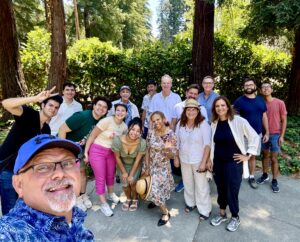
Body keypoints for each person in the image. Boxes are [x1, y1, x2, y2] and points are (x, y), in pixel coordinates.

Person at [0, 134, 94, 241]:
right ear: (19, 185)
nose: (60, 174)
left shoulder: (74, 215)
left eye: (67, 163)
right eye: (43, 167)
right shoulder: (10, 234)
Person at [0, 87, 63, 215]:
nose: (53, 109)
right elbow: (6, 103)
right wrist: (34, 98)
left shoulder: (46, 130)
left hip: (23, 172)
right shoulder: (29, 115)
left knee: (21, 207)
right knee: (10, 209)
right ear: (43, 104)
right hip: (7, 169)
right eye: (50, 105)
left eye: (56, 107)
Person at [210, 96, 260, 232]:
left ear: (228, 106)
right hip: (218, 162)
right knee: (220, 188)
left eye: (222, 105)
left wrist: (248, 155)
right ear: (214, 109)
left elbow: (254, 137)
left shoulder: (238, 121)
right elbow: (212, 143)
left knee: (231, 190)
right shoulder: (214, 123)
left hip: (233, 162)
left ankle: (235, 217)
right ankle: (222, 214)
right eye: (217, 106)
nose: (220, 108)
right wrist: (210, 160)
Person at [58, 96, 112, 211]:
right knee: (74, 175)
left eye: (104, 107)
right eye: (99, 105)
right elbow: (62, 129)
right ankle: (75, 198)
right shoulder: (82, 116)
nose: (101, 108)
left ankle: (82, 195)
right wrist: (64, 151)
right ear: (94, 105)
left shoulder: (102, 121)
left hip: (84, 149)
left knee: (82, 173)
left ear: (107, 111)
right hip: (70, 148)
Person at [84, 103, 128, 217]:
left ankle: (111, 194)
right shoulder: (106, 121)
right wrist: (85, 152)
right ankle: (103, 203)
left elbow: (122, 142)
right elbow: (92, 136)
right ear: (114, 111)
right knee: (100, 177)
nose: (120, 112)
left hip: (111, 153)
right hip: (97, 151)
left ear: (126, 113)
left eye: (123, 110)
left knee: (110, 175)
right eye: (118, 110)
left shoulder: (124, 127)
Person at [174, 99, 212, 220]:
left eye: (193, 109)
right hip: (184, 158)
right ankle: (191, 204)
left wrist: (204, 162)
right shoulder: (180, 123)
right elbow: (177, 142)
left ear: (198, 111)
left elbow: (207, 145)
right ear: (185, 111)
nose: (191, 112)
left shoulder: (203, 124)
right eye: (188, 109)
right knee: (187, 183)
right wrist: (176, 157)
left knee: (201, 186)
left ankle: (205, 210)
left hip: (198, 159)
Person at [171, 84, 208, 193]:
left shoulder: (202, 109)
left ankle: (203, 207)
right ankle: (190, 201)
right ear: (186, 93)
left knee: (200, 183)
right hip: (183, 147)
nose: (192, 95)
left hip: (197, 150)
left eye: (195, 94)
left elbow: (206, 137)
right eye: (191, 93)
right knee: (187, 180)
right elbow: (173, 124)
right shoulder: (177, 107)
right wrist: (175, 153)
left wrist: (206, 160)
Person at [233, 77, 269, 189]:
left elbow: (264, 116)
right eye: (246, 85)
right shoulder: (239, 101)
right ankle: (236, 176)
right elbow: (234, 117)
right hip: (242, 135)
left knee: (252, 157)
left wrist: (267, 132)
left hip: (256, 134)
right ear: (244, 87)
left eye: (250, 85)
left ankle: (251, 176)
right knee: (239, 156)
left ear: (254, 86)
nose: (248, 87)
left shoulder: (260, 100)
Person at [143, 111, 177, 226]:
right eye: (153, 121)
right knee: (151, 187)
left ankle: (165, 213)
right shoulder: (151, 132)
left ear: (163, 119)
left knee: (156, 189)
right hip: (150, 164)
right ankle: (156, 201)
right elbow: (147, 149)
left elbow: (172, 156)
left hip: (162, 167)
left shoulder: (170, 134)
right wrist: (147, 166)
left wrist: (167, 149)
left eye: (158, 119)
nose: (156, 122)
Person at [257, 83, 287, 193]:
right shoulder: (260, 103)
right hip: (264, 134)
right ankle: (265, 175)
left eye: (267, 87)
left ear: (271, 89)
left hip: (275, 135)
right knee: (265, 156)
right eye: (263, 87)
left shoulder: (280, 103)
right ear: (261, 91)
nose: (265, 89)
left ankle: (274, 180)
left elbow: (284, 120)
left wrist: (282, 136)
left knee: (274, 158)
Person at [112, 117, 146, 212]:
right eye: (133, 129)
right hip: (121, 164)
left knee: (133, 182)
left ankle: (135, 199)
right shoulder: (118, 140)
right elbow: (117, 158)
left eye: (138, 131)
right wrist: (124, 172)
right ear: (129, 128)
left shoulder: (142, 143)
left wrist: (131, 175)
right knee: (125, 184)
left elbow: (138, 160)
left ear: (140, 133)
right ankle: (128, 198)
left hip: (135, 165)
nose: (135, 133)